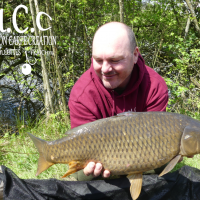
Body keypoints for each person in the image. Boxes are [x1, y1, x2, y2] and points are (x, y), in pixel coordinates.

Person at [68, 22, 168, 180]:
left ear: (135, 55)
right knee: (84, 175)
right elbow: (81, 144)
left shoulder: (154, 86)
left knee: (164, 157)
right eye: (98, 60)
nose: (105, 69)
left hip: (141, 148)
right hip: (99, 156)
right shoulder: (82, 94)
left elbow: (156, 139)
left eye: (115, 60)